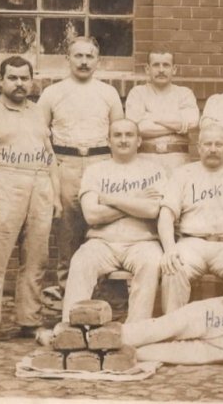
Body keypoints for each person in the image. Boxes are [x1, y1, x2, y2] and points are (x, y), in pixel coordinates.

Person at [0, 57, 60, 348]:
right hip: (3, 186)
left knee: (36, 260)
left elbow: (49, 156)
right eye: (13, 78)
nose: (19, 83)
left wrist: (55, 195)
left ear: (32, 81)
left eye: (24, 78)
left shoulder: (38, 113)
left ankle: (29, 320)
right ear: (1, 81)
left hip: (39, 185)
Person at [37, 36, 124, 294]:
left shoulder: (108, 93)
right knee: (67, 226)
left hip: (100, 162)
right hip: (66, 163)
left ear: (98, 61)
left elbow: (119, 133)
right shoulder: (52, 93)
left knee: (101, 225)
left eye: (89, 56)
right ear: (68, 59)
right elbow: (40, 136)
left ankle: (99, 289)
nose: (84, 62)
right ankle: (67, 289)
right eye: (78, 56)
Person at [63, 119, 166, 322]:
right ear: (108, 141)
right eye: (117, 135)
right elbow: (92, 215)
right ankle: (70, 327)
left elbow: (153, 210)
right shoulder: (95, 171)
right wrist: (136, 203)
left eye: (129, 135)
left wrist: (110, 200)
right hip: (101, 242)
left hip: (142, 242)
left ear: (139, 140)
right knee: (81, 261)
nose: (123, 140)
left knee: (152, 262)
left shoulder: (155, 170)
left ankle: (136, 330)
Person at [158, 124, 223, 312]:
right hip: (191, 243)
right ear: (199, 147)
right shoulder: (182, 174)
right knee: (173, 268)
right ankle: (172, 330)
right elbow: (166, 215)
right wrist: (169, 249)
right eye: (207, 144)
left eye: (218, 144)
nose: (212, 149)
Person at [125, 51, 199, 173]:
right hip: (144, 159)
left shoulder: (185, 93)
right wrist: (179, 125)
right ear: (147, 69)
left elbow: (192, 122)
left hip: (178, 160)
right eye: (156, 65)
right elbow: (137, 128)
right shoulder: (137, 93)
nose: (161, 70)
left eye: (166, 65)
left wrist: (151, 117)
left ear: (174, 69)